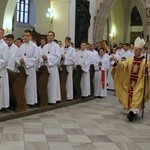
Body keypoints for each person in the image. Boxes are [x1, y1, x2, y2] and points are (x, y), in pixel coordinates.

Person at [112, 37, 150, 122]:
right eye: (134, 50)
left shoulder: (145, 61)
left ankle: (132, 114)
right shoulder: (131, 59)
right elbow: (123, 65)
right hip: (130, 83)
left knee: (136, 97)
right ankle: (133, 112)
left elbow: (147, 74)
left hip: (139, 83)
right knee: (131, 97)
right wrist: (117, 62)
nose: (135, 52)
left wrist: (147, 69)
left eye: (136, 50)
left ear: (140, 51)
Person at [16, 29, 39, 107]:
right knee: (24, 85)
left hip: (30, 69)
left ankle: (30, 102)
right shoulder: (21, 46)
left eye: (27, 36)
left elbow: (35, 58)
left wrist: (24, 60)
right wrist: (20, 60)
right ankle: (23, 101)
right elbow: (17, 56)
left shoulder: (34, 46)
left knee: (30, 85)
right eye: (24, 36)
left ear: (30, 37)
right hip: (23, 69)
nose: (25, 37)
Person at [40, 31, 61, 104]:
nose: (49, 37)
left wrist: (47, 58)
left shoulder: (56, 46)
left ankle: (52, 99)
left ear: (53, 37)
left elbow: (58, 57)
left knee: (52, 84)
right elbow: (41, 55)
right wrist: (42, 58)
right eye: (48, 35)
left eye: (51, 35)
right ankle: (47, 98)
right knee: (47, 84)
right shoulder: (45, 46)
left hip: (52, 67)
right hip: (46, 67)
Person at [0, 28, 10, 112]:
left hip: (1, 70)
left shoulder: (4, 46)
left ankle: (2, 106)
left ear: (2, 34)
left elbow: (5, 60)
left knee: (1, 89)